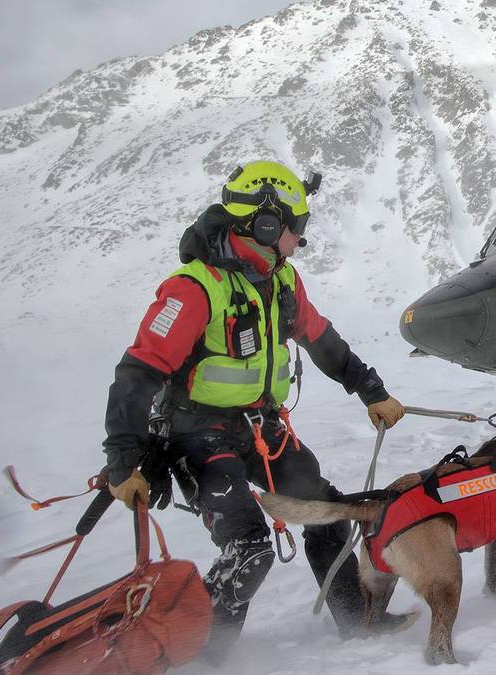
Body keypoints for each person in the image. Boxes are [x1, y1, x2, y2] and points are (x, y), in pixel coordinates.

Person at [101, 161, 406, 659]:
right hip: (196, 433)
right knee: (250, 549)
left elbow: (322, 340)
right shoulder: (195, 287)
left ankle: (360, 622)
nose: (301, 239)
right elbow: (137, 374)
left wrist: (371, 390)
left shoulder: (282, 280)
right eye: (296, 227)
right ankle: (204, 658)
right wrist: (121, 463)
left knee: (327, 513)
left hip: (259, 427)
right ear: (265, 225)